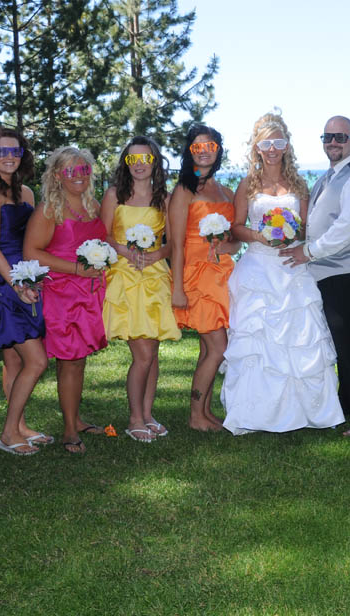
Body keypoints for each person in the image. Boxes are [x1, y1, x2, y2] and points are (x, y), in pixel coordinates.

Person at [221, 112, 344, 436]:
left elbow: (306, 226)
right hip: (259, 266)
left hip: (292, 265)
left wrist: (292, 233)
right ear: (257, 147)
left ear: (286, 145)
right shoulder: (248, 184)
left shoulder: (299, 183)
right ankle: (254, 413)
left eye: (278, 142)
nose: (272, 149)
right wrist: (260, 236)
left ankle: (309, 412)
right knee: (257, 344)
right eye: (266, 143)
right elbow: (236, 226)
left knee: (300, 338)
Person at [280, 115, 350, 437]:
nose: (333, 143)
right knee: (342, 348)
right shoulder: (326, 178)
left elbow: (347, 230)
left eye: (340, 137)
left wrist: (307, 253)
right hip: (327, 277)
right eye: (327, 137)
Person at [23, 146, 109, 454]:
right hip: (62, 295)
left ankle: (75, 418)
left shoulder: (93, 205)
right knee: (70, 361)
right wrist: (77, 269)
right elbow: (32, 252)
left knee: (78, 361)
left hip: (88, 294)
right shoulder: (49, 209)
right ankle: (70, 430)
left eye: (84, 170)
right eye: (71, 170)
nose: (78, 176)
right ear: (58, 175)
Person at [0, 126, 50, 456]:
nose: (8, 157)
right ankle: (7, 432)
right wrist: (15, 285)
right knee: (37, 361)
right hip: (4, 285)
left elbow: (31, 241)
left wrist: (34, 279)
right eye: (1, 151)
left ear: (23, 155)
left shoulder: (28, 194)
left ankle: (19, 425)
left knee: (15, 364)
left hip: (27, 281)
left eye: (15, 151)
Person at [102, 136, 181, 442]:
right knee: (143, 354)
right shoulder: (114, 195)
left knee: (153, 352)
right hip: (125, 277)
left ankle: (148, 414)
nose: (139, 165)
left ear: (154, 162)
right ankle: (134, 417)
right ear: (126, 163)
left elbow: (172, 242)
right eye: (133, 160)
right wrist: (125, 250)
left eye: (145, 159)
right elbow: (104, 236)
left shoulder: (165, 197)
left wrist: (155, 255)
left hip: (155, 275)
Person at [169, 124, 239, 432]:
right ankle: (196, 415)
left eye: (210, 145)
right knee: (218, 346)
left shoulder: (226, 191)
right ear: (189, 151)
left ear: (218, 150)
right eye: (197, 147)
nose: (205, 151)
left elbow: (237, 239)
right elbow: (175, 242)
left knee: (208, 348)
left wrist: (226, 246)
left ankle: (205, 412)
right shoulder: (185, 189)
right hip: (195, 275)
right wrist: (177, 287)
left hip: (222, 272)